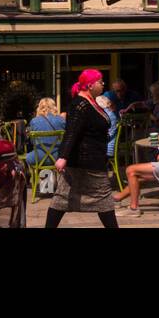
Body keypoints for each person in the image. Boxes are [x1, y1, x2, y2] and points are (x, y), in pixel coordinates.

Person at [47, 69, 118, 228]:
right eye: (100, 82)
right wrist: (63, 157)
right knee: (103, 201)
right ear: (90, 85)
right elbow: (72, 131)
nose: (103, 84)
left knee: (62, 199)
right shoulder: (80, 104)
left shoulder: (92, 102)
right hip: (85, 162)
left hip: (91, 159)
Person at [24, 97, 66, 168]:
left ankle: (35, 177)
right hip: (58, 157)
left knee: (27, 157)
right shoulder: (61, 120)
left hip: (38, 158)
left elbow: (32, 141)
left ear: (39, 108)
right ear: (54, 107)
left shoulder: (34, 121)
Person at [97, 94, 120, 164]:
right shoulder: (109, 114)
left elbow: (107, 136)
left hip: (107, 149)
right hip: (105, 146)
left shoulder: (109, 116)